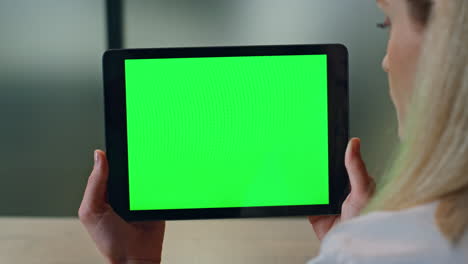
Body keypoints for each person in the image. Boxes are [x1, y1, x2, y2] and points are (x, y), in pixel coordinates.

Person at [78, 0, 468, 263]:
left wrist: (134, 262)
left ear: (447, 40)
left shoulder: (381, 250)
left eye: (389, 21)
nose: (385, 60)